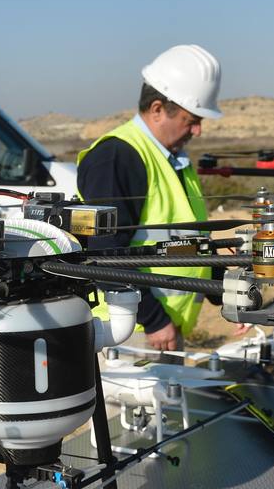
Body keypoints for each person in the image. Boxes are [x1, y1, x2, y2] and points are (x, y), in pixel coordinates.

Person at [75, 44, 223, 352]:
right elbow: (106, 253)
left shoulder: (174, 160)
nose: (197, 130)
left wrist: (230, 295)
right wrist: (153, 319)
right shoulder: (116, 157)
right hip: (126, 330)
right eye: (190, 119)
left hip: (159, 328)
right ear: (157, 109)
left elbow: (187, 244)